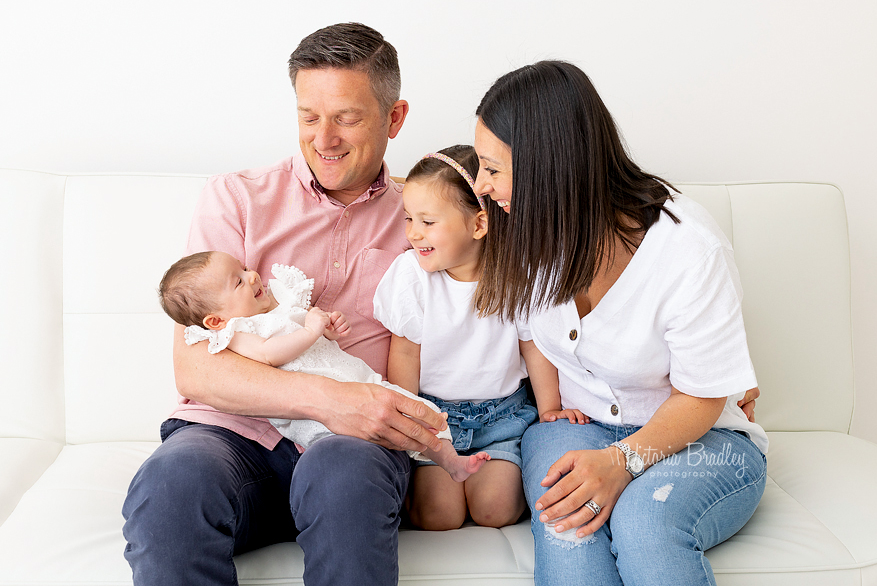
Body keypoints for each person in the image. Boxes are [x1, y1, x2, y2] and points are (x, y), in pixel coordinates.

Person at [121, 23, 447, 586]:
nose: (324, 138)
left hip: (352, 448)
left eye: (346, 117)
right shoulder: (237, 197)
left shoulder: (428, 219)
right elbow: (196, 365)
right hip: (232, 436)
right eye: (308, 117)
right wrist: (328, 398)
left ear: (394, 119)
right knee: (170, 486)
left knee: (344, 476)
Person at [471, 60, 768, 586]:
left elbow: (703, 395)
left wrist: (622, 461)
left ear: (549, 166)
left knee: (647, 523)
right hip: (576, 428)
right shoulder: (531, 225)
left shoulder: (688, 249)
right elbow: (429, 197)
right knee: (570, 530)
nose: (481, 185)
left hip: (702, 441)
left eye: (492, 168)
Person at [373, 145, 586, 531]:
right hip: (436, 423)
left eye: (428, 222)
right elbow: (404, 354)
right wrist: (410, 430)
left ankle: (494, 478)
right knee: (439, 517)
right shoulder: (411, 276)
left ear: (478, 224)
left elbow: (533, 347)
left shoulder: (516, 275)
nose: (413, 233)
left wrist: (549, 409)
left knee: (495, 510)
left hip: (502, 418)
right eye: (408, 219)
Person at [157, 250, 489, 481]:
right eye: (239, 282)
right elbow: (273, 354)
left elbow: (320, 349)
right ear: (216, 320)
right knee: (365, 443)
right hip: (312, 415)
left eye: (244, 268)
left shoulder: (277, 307)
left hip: (356, 381)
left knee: (417, 413)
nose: (252, 275)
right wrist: (311, 330)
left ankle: (450, 462)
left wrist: (328, 331)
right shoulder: (238, 333)